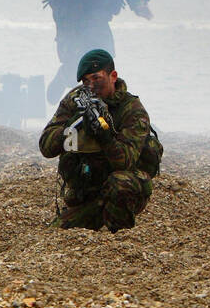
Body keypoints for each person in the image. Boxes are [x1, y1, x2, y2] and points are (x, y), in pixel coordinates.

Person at [38, 49, 159, 232]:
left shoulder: (132, 110)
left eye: (96, 79)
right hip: (85, 189)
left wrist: (105, 137)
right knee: (57, 231)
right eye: (86, 81)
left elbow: (124, 161)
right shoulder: (76, 100)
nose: (91, 86)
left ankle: (119, 231)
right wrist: (73, 127)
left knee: (121, 184)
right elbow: (46, 147)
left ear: (113, 76)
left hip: (120, 187)